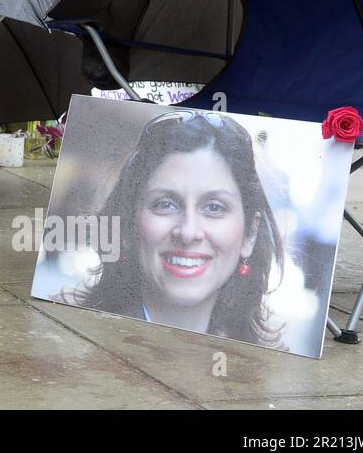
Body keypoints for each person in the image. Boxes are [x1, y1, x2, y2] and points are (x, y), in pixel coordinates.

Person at [64, 110, 285, 347]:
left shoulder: (252, 362)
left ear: (250, 234)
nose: (188, 233)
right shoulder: (73, 340)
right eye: (165, 204)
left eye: (214, 207)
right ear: (128, 224)